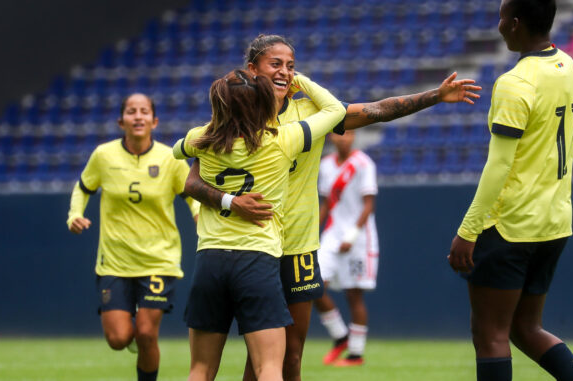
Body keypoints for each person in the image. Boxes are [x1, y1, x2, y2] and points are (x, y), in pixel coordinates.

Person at [182, 34, 482, 379]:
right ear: (252, 69)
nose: (285, 73)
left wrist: (436, 96)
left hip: (296, 245)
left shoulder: (310, 112)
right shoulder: (232, 116)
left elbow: (377, 110)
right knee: (261, 359)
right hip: (247, 246)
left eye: (291, 66)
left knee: (289, 357)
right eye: (275, 64)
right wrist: (233, 203)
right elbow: (192, 182)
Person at [448, 1, 573, 380]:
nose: (498, 25)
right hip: (555, 223)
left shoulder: (515, 83)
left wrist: (468, 230)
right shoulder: (569, 69)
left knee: (490, 334)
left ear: (514, 24)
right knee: (526, 329)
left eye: (500, 18)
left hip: (510, 226)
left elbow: (498, 166)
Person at [172, 69, 346, 381]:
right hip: (256, 260)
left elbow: (177, 150)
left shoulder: (202, 140)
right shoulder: (282, 141)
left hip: (210, 260)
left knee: (200, 370)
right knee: (269, 367)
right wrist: (299, 79)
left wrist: (220, 118)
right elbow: (336, 110)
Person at [66, 93, 200, 381]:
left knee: (146, 334)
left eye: (143, 111)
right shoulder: (103, 155)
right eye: (131, 111)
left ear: (154, 120)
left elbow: (192, 195)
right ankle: (131, 324)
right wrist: (74, 214)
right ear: (121, 120)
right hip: (115, 261)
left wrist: (199, 215)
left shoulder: (170, 157)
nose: (137, 116)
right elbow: (83, 187)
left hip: (158, 259)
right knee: (118, 339)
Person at [313, 130, 377, 367]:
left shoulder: (363, 163)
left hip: (359, 238)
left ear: (354, 137)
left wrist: (352, 234)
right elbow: (326, 203)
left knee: (354, 295)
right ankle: (340, 336)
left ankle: (355, 354)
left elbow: (369, 204)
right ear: (332, 137)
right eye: (339, 134)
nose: (343, 138)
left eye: (348, 134)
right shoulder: (326, 165)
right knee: (313, 285)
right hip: (332, 234)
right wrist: (313, 231)